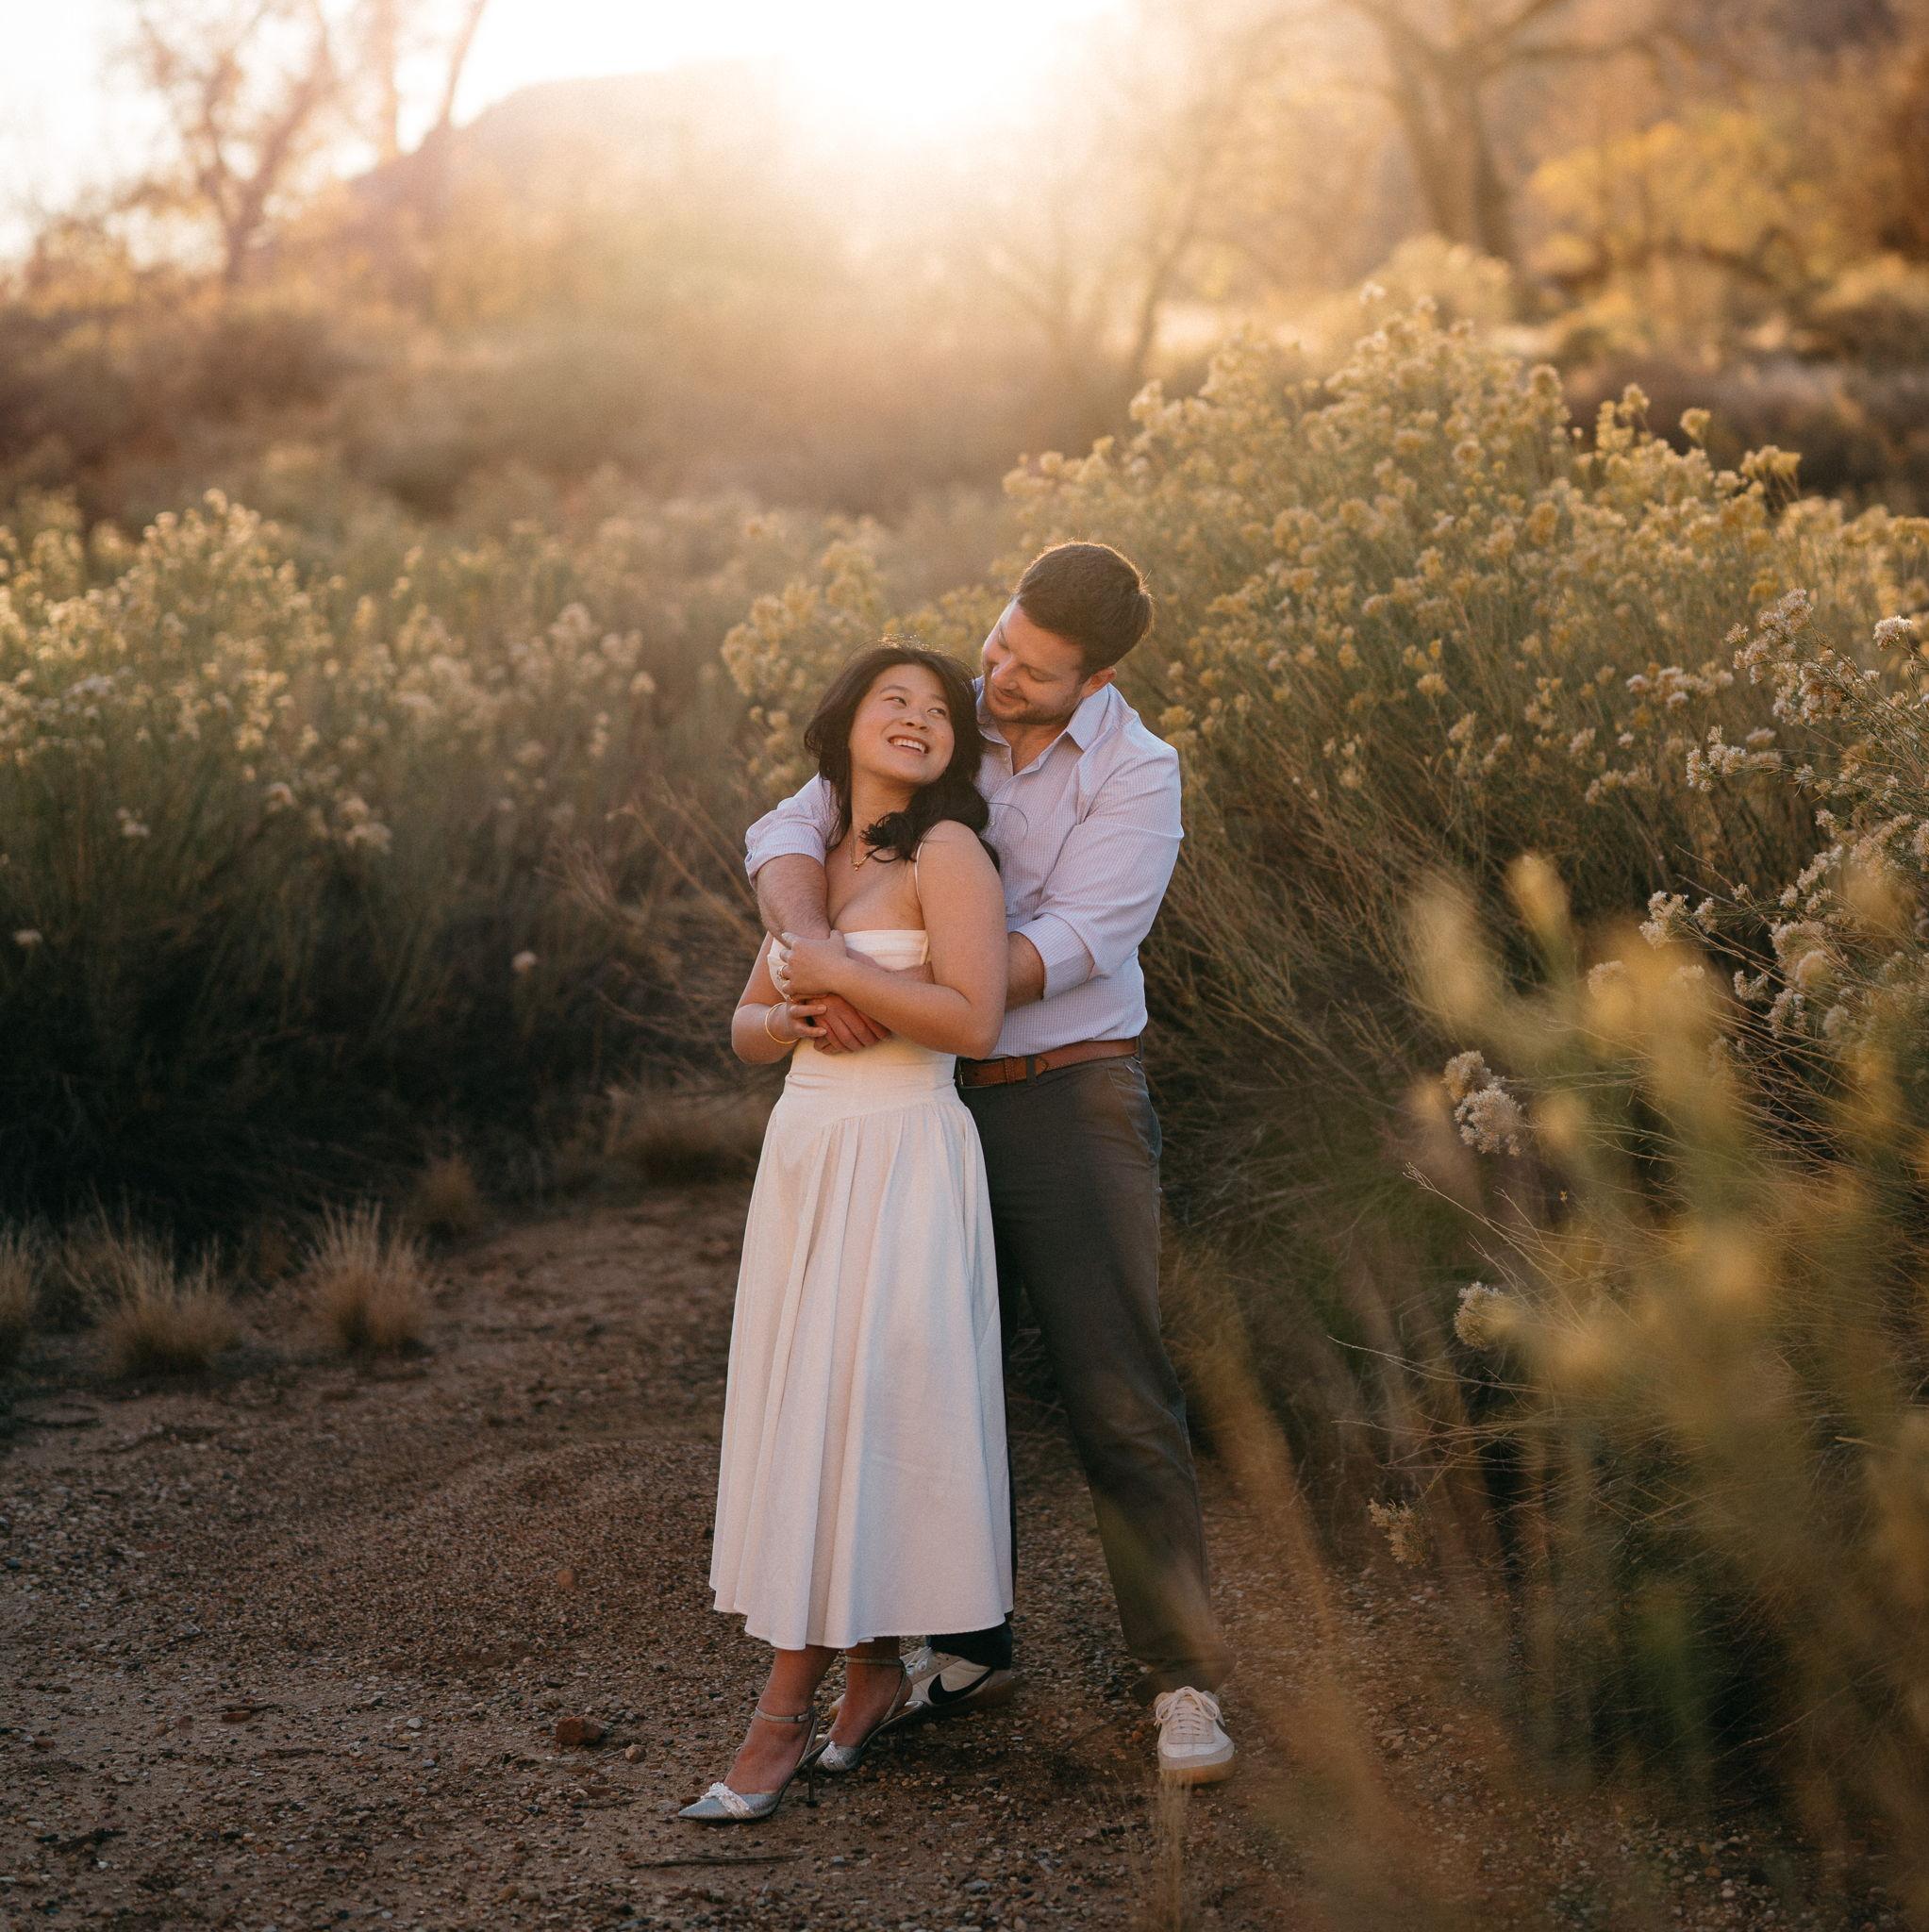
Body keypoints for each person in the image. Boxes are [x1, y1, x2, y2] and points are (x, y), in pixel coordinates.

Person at [749, 541, 1236, 1785]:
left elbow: (1081, 937)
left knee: (1113, 1381)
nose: (995, 677)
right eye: (999, 644)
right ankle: (963, 1646)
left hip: (1066, 1095)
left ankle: (1179, 1679)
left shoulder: (1138, 773)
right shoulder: (939, 714)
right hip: (921, 1092)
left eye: (1030, 673)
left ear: (1098, 677)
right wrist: (820, 956)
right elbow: (792, 826)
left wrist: (912, 979)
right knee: (925, 1370)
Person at [681, 644, 1015, 1825]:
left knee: (857, 1408)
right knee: (810, 1408)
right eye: (895, 701)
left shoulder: (946, 851)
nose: (920, 719)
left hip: (904, 1155)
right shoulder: (808, 863)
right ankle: (872, 1665)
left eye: (939, 710)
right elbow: (741, 1027)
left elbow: (972, 1018)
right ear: (845, 725)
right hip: (809, 1151)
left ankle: (778, 1716)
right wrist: (796, 1005)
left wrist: (847, 979)